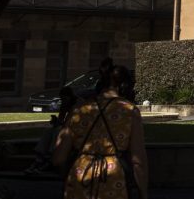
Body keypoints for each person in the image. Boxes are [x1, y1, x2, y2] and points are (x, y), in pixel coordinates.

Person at [54, 64, 148, 199]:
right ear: (125, 86)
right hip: (113, 179)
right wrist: (143, 193)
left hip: (80, 175)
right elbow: (138, 160)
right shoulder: (129, 111)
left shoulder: (79, 110)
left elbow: (58, 158)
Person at [25, 87, 76, 175]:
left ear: (69, 97)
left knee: (58, 132)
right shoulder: (64, 105)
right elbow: (61, 120)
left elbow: (73, 122)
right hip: (65, 127)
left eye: (64, 99)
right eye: (62, 99)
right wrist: (56, 121)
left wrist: (61, 124)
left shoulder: (77, 105)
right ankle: (39, 160)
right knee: (49, 131)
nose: (63, 101)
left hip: (73, 129)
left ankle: (49, 159)